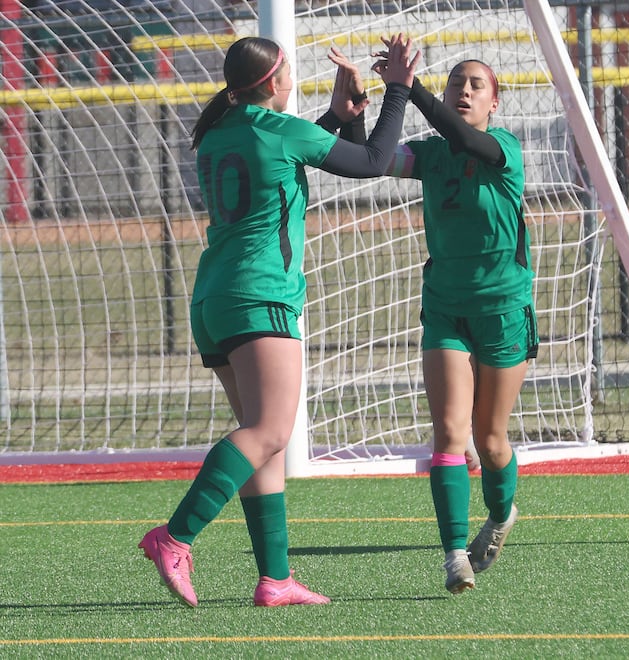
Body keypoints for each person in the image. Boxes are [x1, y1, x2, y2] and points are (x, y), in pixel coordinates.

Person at [139, 35, 419, 608]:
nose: (293, 77)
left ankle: (275, 578)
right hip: (259, 295)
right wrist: (397, 92)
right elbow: (369, 164)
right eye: (288, 71)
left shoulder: (218, 131)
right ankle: (175, 536)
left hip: (215, 297)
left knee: (259, 443)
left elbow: (282, 153)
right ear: (272, 82)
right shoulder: (281, 131)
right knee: (269, 433)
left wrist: (339, 117)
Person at [374, 53, 538, 594]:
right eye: (455, 86)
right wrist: (356, 111)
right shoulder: (429, 156)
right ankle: (453, 555)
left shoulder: (503, 149)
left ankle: (501, 515)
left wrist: (409, 86)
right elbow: (371, 159)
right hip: (444, 305)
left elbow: (468, 142)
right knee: (448, 432)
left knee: (490, 441)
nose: (463, 92)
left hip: (502, 310)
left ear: (495, 100)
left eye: (476, 85)